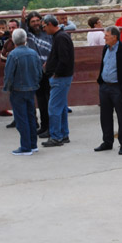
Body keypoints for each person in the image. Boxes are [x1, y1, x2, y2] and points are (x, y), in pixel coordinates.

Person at [95, 26, 122, 155]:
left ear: (114, 37)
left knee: (121, 117)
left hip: (117, 88)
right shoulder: (106, 48)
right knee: (105, 116)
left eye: (106, 35)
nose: (104, 37)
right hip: (104, 86)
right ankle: (107, 142)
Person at [3, 28, 42, 155]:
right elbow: (39, 72)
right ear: (25, 39)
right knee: (31, 117)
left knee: (21, 119)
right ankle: (33, 144)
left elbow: (9, 75)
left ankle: (25, 147)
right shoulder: (33, 53)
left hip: (18, 89)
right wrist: (35, 83)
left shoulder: (13, 55)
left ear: (13, 41)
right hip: (31, 88)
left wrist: (8, 88)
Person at [41, 15, 75, 147]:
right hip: (62, 77)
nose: (43, 29)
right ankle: (63, 134)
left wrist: (56, 73)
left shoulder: (60, 38)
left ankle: (56, 136)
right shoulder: (60, 36)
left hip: (60, 78)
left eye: (44, 26)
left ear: (50, 24)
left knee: (54, 107)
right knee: (61, 107)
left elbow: (64, 59)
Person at [22, 9, 53, 137]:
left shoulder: (48, 33)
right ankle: (44, 126)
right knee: (41, 101)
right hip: (36, 72)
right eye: (32, 21)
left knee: (50, 100)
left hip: (49, 71)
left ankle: (51, 127)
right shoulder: (29, 35)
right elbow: (22, 30)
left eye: (37, 20)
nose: (35, 23)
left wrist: (50, 63)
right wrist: (22, 19)